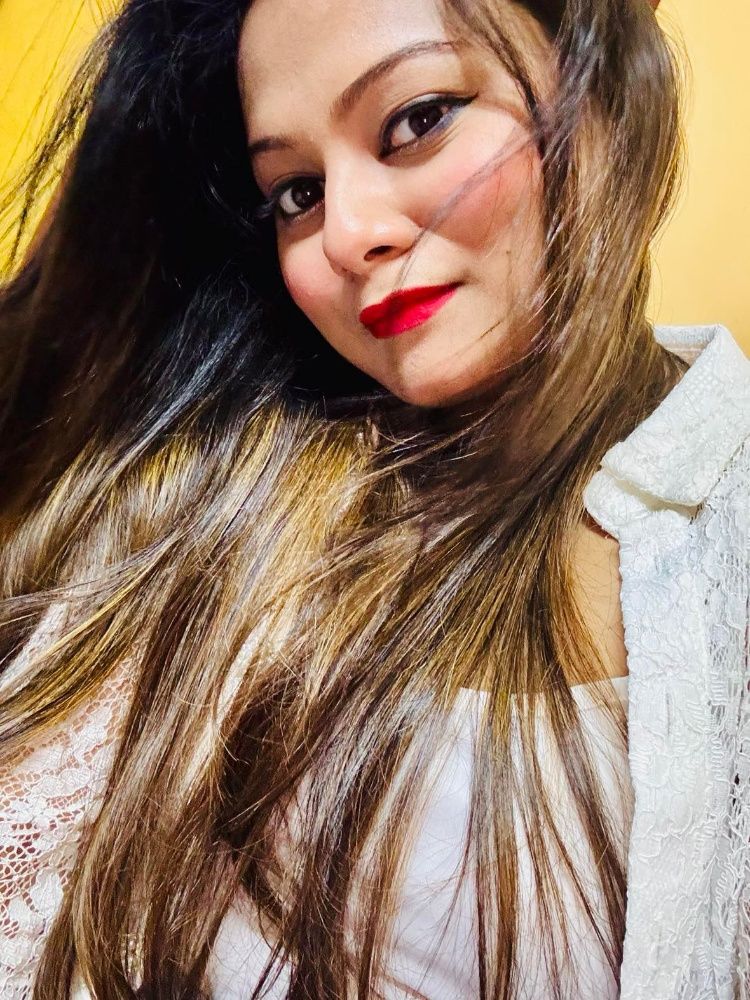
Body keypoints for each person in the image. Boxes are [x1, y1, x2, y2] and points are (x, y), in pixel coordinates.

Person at [0, 0, 747, 997]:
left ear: (600, 75)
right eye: (296, 192)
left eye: (417, 119)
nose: (346, 234)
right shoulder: (218, 494)